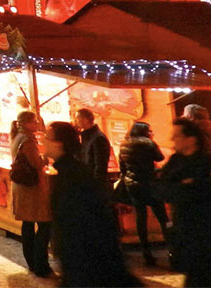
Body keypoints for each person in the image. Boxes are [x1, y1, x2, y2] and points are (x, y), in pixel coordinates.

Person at [43, 121, 137, 287]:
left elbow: (85, 222)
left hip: (85, 263)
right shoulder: (68, 172)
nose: (43, 141)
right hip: (80, 262)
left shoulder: (73, 175)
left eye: (47, 137)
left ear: (59, 144)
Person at [161, 117, 211, 287]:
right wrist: (182, 186)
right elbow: (159, 188)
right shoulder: (175, 161)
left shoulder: (203, 163)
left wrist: (181, 188)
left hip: (204, 233)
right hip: (184, 229)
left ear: (191, 139)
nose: (172, 140)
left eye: (176, 136)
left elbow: (200, 192)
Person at [119, 121, 169, 266]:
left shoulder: (124, 144)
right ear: (145, 131)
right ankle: (172, 249)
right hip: (151, 183)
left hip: (133, 185)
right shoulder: (148, 143)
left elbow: (123, 167)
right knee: (163, 217)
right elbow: (160, 158)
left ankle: (146, 253)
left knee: (141, 218)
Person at [9, 111, 52, 277]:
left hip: (22, 187)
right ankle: (40, 264)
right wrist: (47, 157)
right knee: (44, 224)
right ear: (26, 123)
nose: (37, 124)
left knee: (27, 225)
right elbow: (36, 163)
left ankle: (31, 262)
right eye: (34, 121)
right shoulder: (28, 140)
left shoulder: (17, 136)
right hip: (32, 188)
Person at [74, 108, 111, 189]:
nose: (75, 122)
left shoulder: (98, 138)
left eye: (77, 118)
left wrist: (96, 186)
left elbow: (100, 165)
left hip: (94, 186)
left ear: (85, 120)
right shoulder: (86, 137)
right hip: (87, 183)